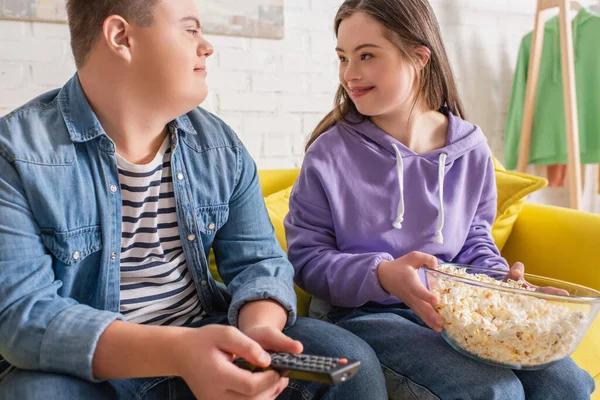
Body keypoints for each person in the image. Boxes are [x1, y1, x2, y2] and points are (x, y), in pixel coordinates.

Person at [0, 0, 388, 399]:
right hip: (93, 368)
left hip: (205, 337)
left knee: (349, 360)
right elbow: (23, 318)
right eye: (190, 29)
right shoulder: (15, 154)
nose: (207, 46)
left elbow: (260, 265)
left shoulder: (220, 148)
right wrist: (179, 353)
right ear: (121, 37)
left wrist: (258, 337)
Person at [284, 0, 595, 399]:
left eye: (366, 55)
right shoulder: (329, 153)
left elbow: (474, 243)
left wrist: (509, 291)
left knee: (566, 382)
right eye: (343, 57)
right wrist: (383, 275)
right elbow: (307, 261)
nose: (350, 74)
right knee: (494, 391)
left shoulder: (471, 147)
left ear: (419, 57)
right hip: (363, 315)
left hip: (456, 313)